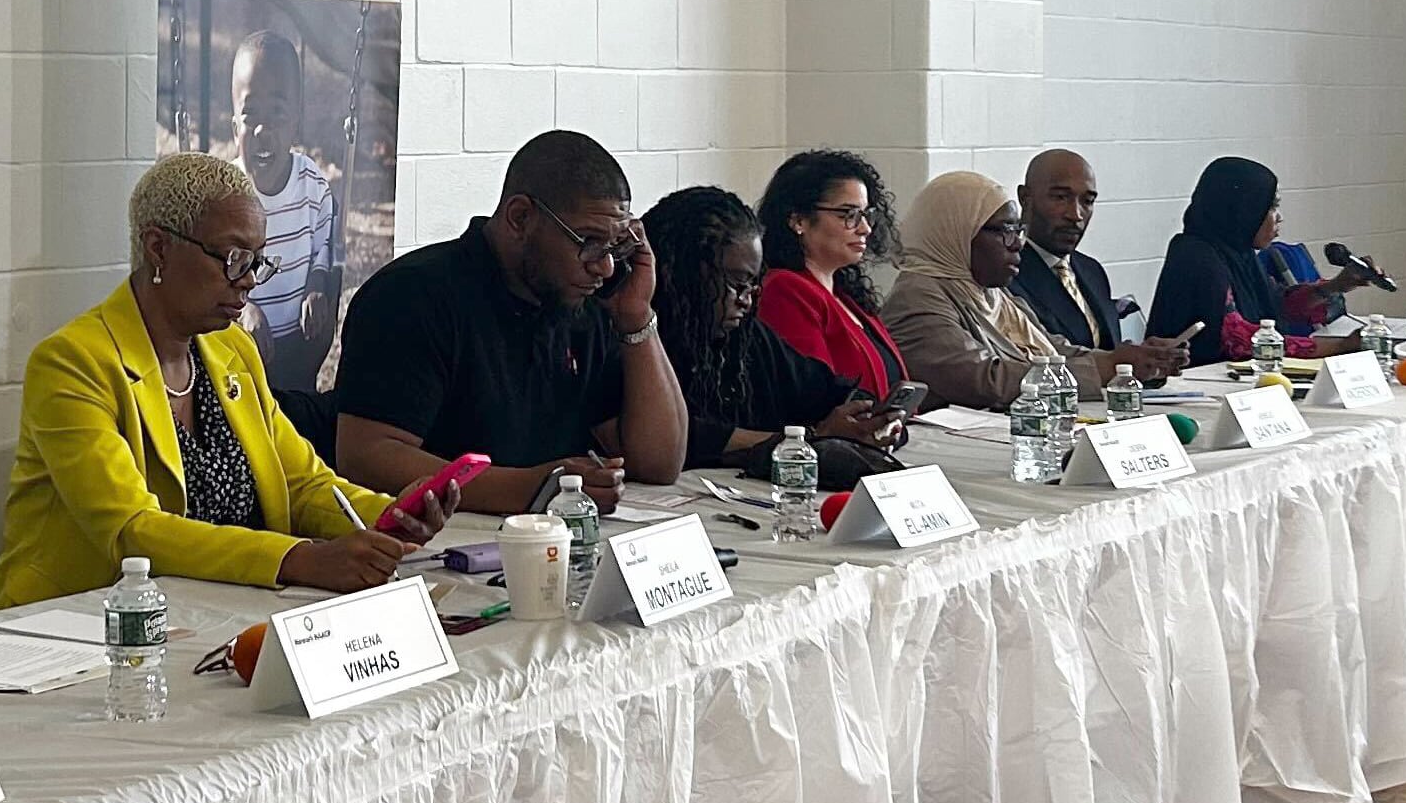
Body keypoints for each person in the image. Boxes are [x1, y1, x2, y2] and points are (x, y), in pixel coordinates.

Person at [0, 152, 439, 607]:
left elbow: (303, 483)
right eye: (233, 258)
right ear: (158, 248)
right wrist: (299, 559)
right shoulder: (72, 363)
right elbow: (133, 530)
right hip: (73, 620)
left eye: (257, 261)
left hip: (213, 609)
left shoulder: (232, 350)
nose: (249, 281)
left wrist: (391, 516)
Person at [331, 129, 690, 517]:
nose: (604, 266)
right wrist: (535, 489)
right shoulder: (413, 295)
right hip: (436, 538)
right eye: (589, 241)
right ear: (520, 217)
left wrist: (636, 317)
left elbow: (658, 465)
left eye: (615, 247)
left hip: (545, 537)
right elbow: (366, 456)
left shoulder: (581, 304)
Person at [643, 185, 906, 485]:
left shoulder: (747, 338)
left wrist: (869, 419)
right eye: (736, 283)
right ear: (683, 273)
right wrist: (812, 438)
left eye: (753, 285)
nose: (747, 300)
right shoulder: (640, 340)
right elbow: (687, 436)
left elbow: (823, 388)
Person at [883, 171, 1188, 410]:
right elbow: (987, 380)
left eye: (1018, 230)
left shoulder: (992, 294)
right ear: (957, 232)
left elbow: (1053, 349)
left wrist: (1131, 362)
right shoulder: (918, 296)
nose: (1017, 243)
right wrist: (1106, 369)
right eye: (1004, 231)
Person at [1144, 156, 1365, 364]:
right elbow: (1238, 341)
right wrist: (1341, 346)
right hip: (1196, 380)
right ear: (1241, 209)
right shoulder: (1198, 258)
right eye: (1270, 207)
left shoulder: (1239, 253)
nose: (1278, 217)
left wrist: (1337, 285)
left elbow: (1279, 304)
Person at [228, 29, 344, 392]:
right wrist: (243, 310)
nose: (263, 129)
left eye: (277, 113)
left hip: (298, 347)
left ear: (295, 123)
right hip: (242, 351)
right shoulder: (227, 194)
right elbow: (215, 272)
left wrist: (317, 284)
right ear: (235, 128)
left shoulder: (311, 184)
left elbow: (323, 244)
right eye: (250, 115)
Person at [1011, 148, 1192, 380]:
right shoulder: (1006, 273)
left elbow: (1107, 354)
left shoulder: (1091, 270)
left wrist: (1146, 360)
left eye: (1087, 201)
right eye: (1060, 198)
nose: (1076, 214)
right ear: (1025, 198)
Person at [753, 149, 908, 398]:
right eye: (848, 214)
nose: (865, 228)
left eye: (866, 215)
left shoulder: (845, 292)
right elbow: (813, 396)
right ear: (799, 220)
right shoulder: (784, 290)